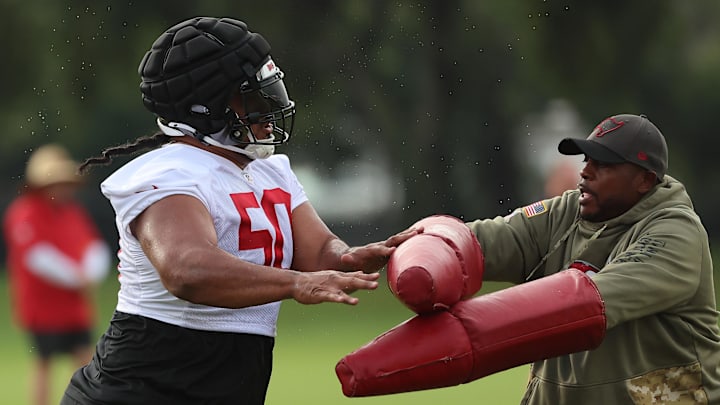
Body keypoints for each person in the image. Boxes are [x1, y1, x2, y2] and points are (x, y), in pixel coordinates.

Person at [60, 17, 417, 405]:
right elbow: (186, 269)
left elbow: (316, 252)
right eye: (253, 97)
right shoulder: (168, 173)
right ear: (206, 106)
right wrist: (294, 284)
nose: (269, 108)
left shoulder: (267, 169)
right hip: (140, 389)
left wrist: (348, 258)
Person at [336, 113, 720, 404]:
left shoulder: (674, 232)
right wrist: (419, 247)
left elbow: (581, 305)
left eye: (603, 165)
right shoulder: (567, 212)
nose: (585, 173)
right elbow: (480, 241)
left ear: (644, 180)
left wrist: (434, 348)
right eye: (586, 160)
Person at [3, 144, 110, 405]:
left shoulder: (73, 213)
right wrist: (76, 276)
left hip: (74, 306)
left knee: (85, 360)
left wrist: (90, 271)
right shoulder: (23, 213)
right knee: (44, 363)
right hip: (42, 306)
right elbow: (36, 257)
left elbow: (93, 246)